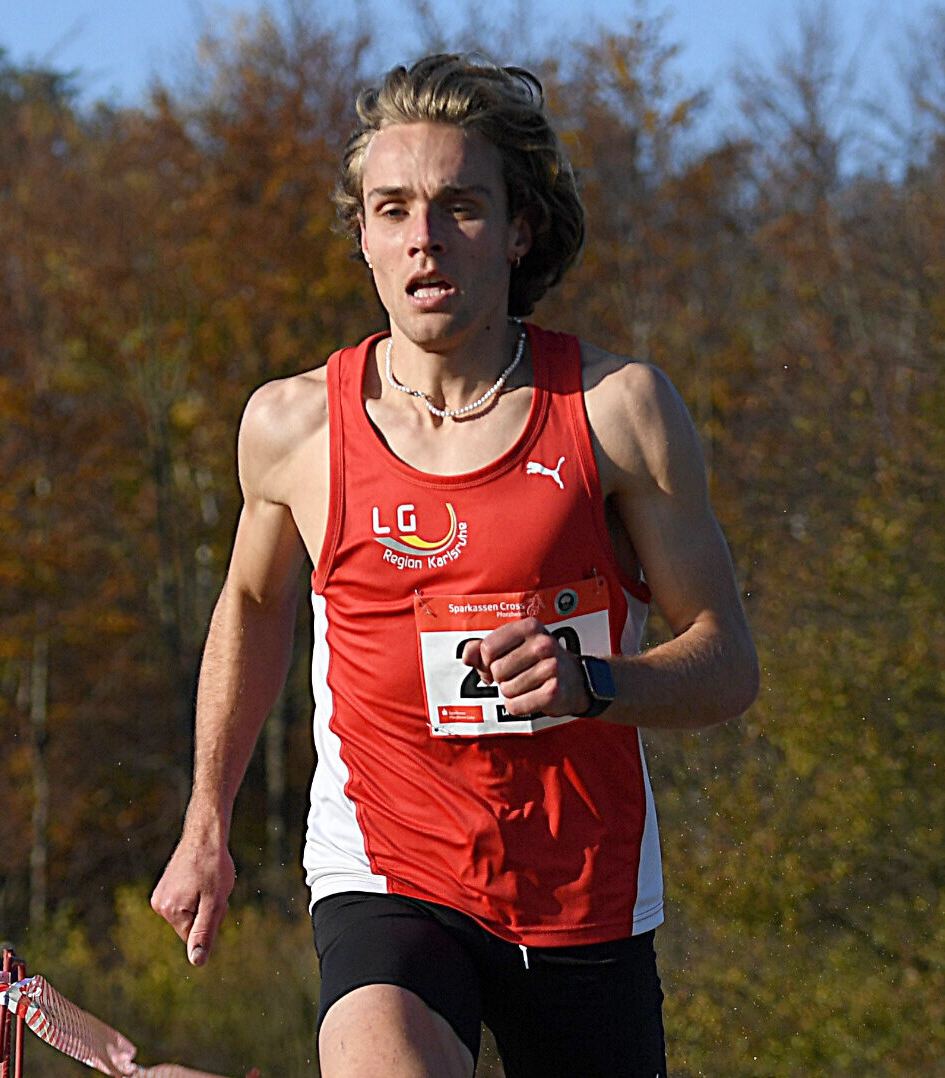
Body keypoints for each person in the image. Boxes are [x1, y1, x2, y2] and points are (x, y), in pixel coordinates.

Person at [151, 53, 758, 1078]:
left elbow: (727, 664)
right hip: (385, 869)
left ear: (519, 230)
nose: (423, 237)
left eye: (459, 207)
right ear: (362, 237)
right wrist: (205, 818)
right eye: (391, 210)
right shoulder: (293, 427)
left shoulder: (615, 412)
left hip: (583, 888)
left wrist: (593, 682)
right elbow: (251, 607)